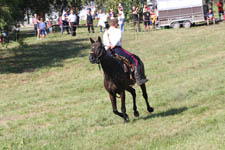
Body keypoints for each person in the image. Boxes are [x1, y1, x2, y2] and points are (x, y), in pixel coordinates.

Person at [103, 19, 148, 86]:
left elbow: (105, 41)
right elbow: (118, 38)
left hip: (107, 51)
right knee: (134, 59)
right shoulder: (118, 30)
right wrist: (113, 45)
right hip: (116, 49)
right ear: (115, 24)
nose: (117, 25)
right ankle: (139, 78)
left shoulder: (106, 32)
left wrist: (108, 46)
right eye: (117, 24)